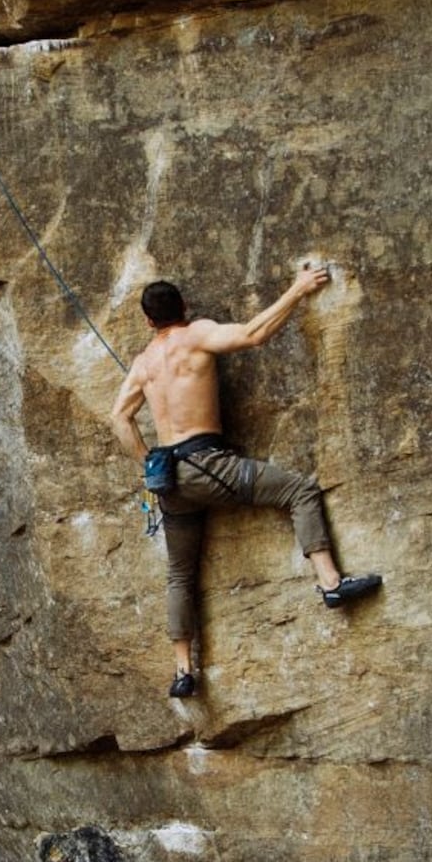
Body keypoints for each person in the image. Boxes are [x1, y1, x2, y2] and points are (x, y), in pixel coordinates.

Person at [107, 261, 381, 701]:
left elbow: (120, 418)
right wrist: (297, 289)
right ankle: (330, 584)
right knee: (299, 490)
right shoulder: (196, 334)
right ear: (185, 307)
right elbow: (254, 333)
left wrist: (149, 463)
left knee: (180, 574)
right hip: (209, 466)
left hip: (171, 483)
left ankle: (182, 671)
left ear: (147, 321)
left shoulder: (142, 364)